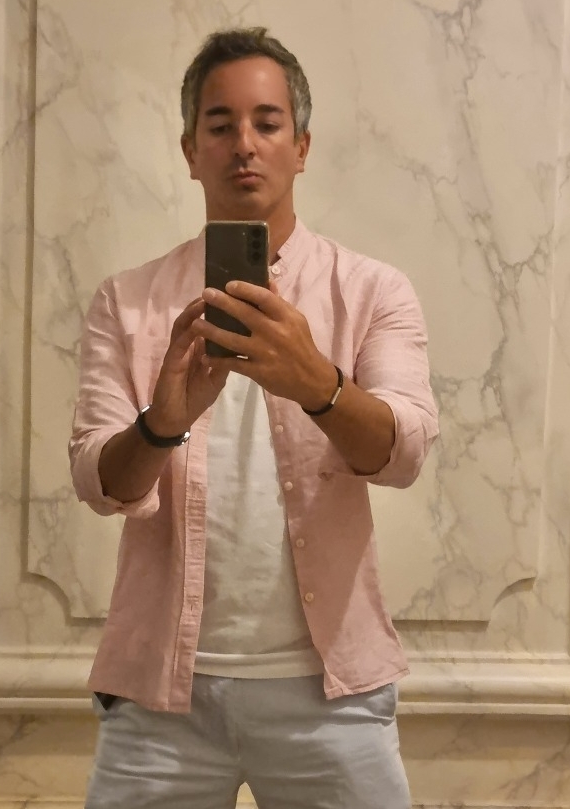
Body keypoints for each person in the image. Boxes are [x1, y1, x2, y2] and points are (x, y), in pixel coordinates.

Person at [69, 26, 439, 809]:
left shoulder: (370, 291)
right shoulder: (128, 302)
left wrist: (318, 384)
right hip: (159, 698)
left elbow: (404, 452)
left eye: (267, 123)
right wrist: (161, 425)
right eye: (220, 124)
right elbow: (98, 480)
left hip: (329, 695)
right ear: (189, 150)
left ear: (300, 146)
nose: (243, 143)